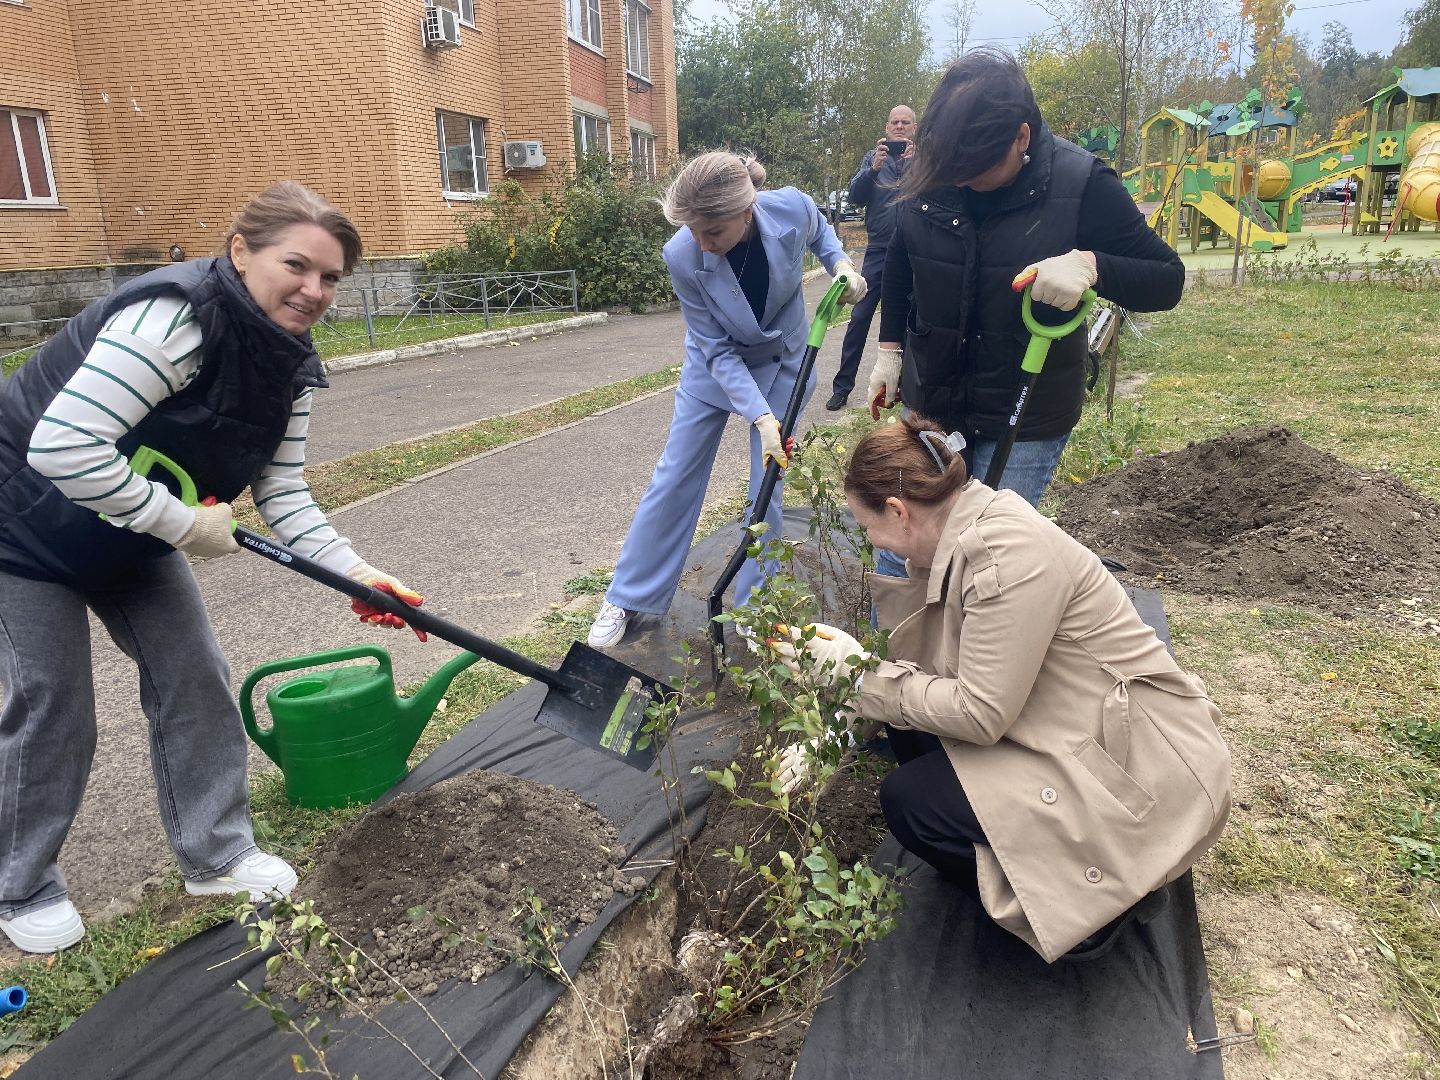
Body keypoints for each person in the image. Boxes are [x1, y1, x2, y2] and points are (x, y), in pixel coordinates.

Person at [0, 181, 424, 954]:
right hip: (20, 528)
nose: (314, 289)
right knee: (52, 701)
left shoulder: (288, 364)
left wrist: (358, 572)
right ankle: (20, 883)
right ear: (240, 251)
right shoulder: (173, 321)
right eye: (296, 265)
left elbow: (282, 492)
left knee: (194, 674)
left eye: (330, 277)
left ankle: (216, 855)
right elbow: (61, 446)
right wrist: (184, 523)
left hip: (126, 532)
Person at [771, 414, 1231, 963]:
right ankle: (1038, 859)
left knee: (911, 802)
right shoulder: (966, 530)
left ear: (898, 511)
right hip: (1075, 720)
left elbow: (980, 712)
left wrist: (854, 675)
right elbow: (920, 669)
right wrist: (839, 727)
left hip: (1137, 769)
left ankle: (1086, 912)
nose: (869, 539)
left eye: (867, 525)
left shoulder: (1005, 557)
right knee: (910, 723)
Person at [868, 49, 1185, 507]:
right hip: (933, 399)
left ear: (1021, 137)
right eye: (954, 169)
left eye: (978, 170)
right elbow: (901, 257)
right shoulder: (941, 168)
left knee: (991, 540)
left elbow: (1167, 279)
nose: (962, 182)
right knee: (915, 534)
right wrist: (889, 350)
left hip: (1024, 413)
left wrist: (1092, 266)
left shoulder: (1081, 183)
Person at [587, 152, 864, 649]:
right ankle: (628, 594)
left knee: (767, 483)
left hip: (783, 359)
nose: (702, 243)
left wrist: (840, 262)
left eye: (712, 231)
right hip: (715, 367)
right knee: (676, 474)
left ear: (746, 211)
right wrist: (758, 415)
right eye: (693, 231)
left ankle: (758, 608)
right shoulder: (681, 254)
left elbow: (820, 229)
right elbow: (715, 349)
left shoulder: (791, 206)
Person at [824, 105, 915, 412]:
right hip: (879, 249)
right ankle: (842, 387)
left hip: (913, 251)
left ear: (914, 128)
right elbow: (855, 197)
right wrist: (873, 169)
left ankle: (902, 386)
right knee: (860, 317)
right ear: (887, 127)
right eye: (895, 122)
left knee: (910, 317)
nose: (899, 126)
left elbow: (935, 194)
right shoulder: (872, 158)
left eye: (905, 122)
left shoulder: (923, 160)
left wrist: (915, 166)